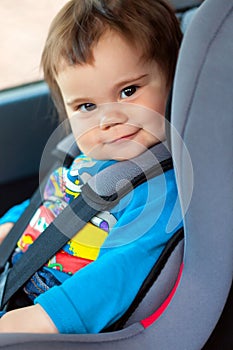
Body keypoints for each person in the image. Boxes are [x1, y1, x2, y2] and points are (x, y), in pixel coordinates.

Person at [0, 0, 182, 334]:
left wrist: (38, 320)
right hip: (18, 281)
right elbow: (42, 208)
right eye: (86, 105)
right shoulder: (84, 161)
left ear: (175, 84)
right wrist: (6, 229)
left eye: (129, 91)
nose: (109, 118)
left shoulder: (161, 190)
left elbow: (121, 272)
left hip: (51, 319)